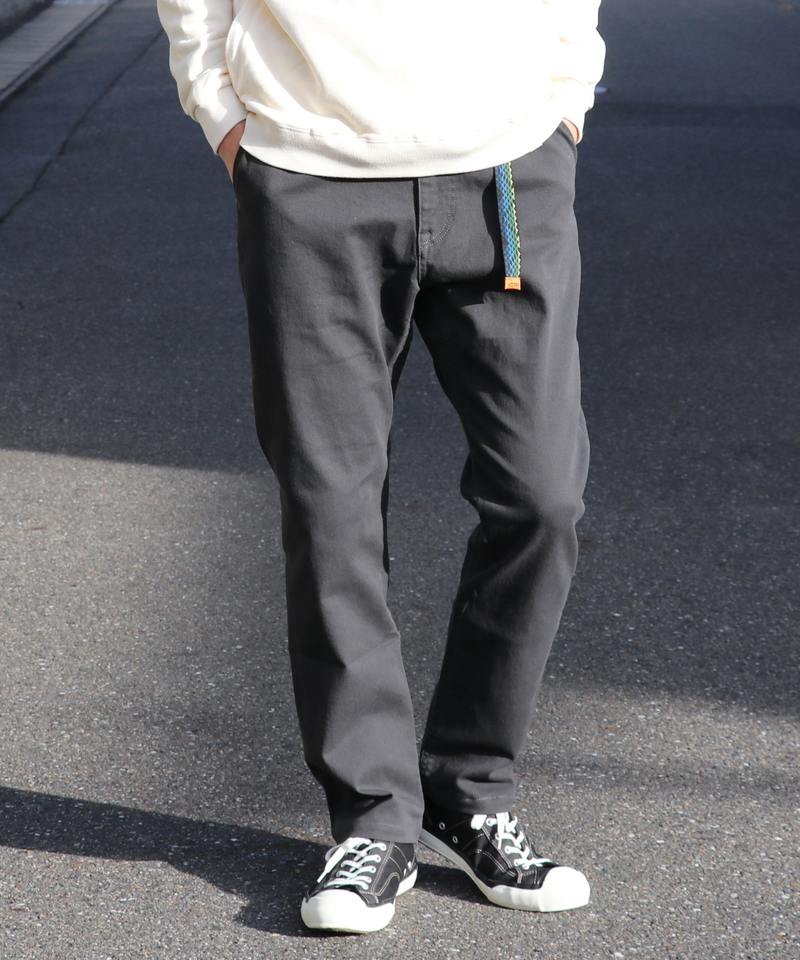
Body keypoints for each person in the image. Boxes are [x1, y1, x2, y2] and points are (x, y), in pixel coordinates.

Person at [156, 0, 606, 935]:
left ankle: (469, 787)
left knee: (542, 495)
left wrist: (566, 89)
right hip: (309, 171)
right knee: (332, 507)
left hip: (507, 166)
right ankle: (373, 815)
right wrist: (222, 111)